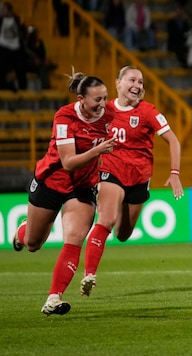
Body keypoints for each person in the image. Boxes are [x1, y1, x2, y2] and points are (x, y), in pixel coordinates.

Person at [11, 71, 116, 316]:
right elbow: (68, 162)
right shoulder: (65, 116)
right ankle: (22, 232)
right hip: (51, 181)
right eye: (96, 100)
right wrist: (98, 150)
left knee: (75, 238)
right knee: (33, 243)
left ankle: (53, 298)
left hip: (82, 186)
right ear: (81, 99)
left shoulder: (109, 114)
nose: (102, 105)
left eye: (105, 98)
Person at [80, 66, 183, 297]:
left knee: (123, 234)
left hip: (138, 179)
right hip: (111, 172)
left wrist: (175, 173)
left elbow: (173, 141)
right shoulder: (103, 110)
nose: (137, 85)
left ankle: (98, 254)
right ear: (118, 83)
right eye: (132, 80)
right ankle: (89, 274)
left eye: (141, 81)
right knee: (106, 219)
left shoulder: (148, 112)